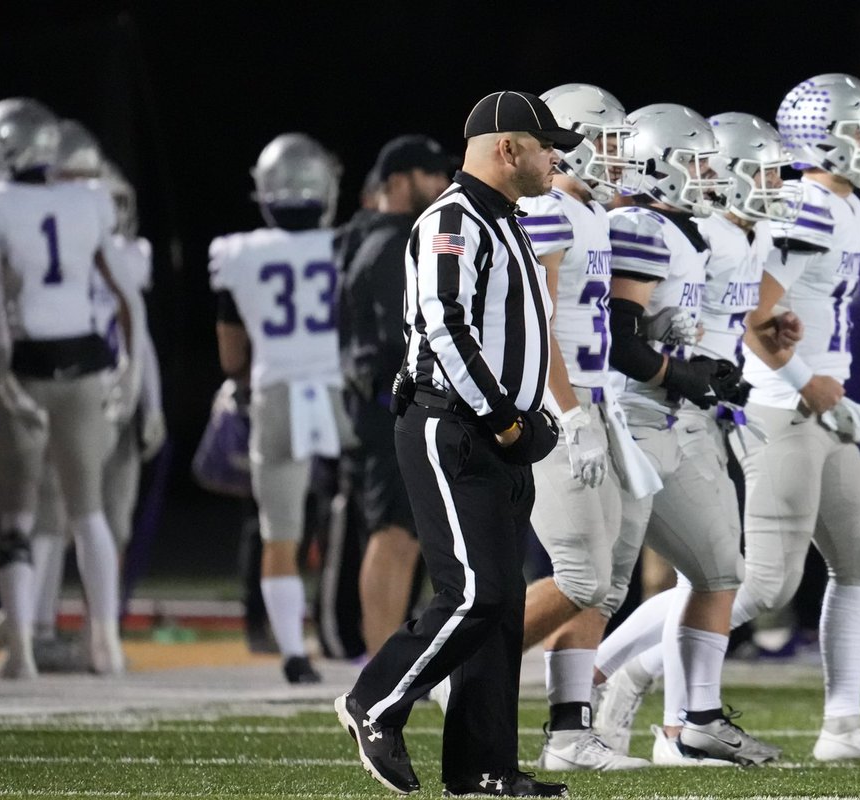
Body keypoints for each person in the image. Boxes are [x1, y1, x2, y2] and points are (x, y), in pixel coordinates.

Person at [333, 90, 581, 799]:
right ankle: (374, 702)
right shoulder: (454, 218)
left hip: (496, 428)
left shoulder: (508, 219)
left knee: (501, 611)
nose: (553, 158)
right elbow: (444, 324)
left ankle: (482, 770)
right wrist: (505, 417)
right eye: (544, 145)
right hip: (455, 424)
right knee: (475, 592)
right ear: (508, 148)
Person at [724, 72, 860, 761]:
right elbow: (753, 315)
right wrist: (805, 381)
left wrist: (825, 388)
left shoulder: (847, 208)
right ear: (828, 137)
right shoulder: (808, 205)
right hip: (782, 406)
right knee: (764, 583)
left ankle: (843, 727)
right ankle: (616, 679)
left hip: (821, 404)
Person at [592, 111, 801, 762]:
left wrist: (760, 343)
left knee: (716, 571)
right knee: (601, 579)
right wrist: (688, 372)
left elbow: (726, 318)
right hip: (654, 408)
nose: (776, 186)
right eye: (762, 173)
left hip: (703, 408)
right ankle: (607, 695)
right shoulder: (681, 230)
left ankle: (671, 715)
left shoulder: (736, 234)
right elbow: (641, 324)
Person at [513, 83, 650, 772]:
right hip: (557, 408)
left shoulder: (589, 211)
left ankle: (569, 734)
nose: (623, 156)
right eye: (613, 140)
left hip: (596, 404)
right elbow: (535, 330)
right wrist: (569, 414)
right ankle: (457, 666)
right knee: (579, 573)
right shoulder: (547, 209)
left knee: (606, 581)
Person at [0, 98, 132, 678]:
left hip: (24, 364)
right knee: (87, 510)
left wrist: (3, 378)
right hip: (87, 362)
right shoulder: (87, 200)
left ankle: (20, 649)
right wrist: (130, 371)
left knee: (16, 515)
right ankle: (106, 643)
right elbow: (125, 299)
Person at [209, 132, 353, 685]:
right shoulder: (344, 244)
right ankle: (359, 628)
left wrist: (246, 379)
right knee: (367, 513)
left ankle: (294, 652)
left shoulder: (238, 253)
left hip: (277, 392)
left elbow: (230, 354)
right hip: (339, 391)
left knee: (280, 529)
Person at [333, 134, 453, 656]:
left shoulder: (368, 235)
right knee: (395, 533)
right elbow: (397, 336)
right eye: (431, 175)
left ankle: (389, 658)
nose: (444, 186)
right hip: (388, 405)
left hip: (375, 403)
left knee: (405, 534)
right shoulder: (393, 240)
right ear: (399, 182)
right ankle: (381, 663)